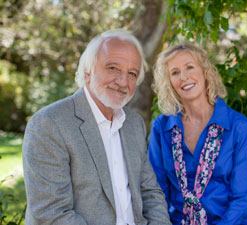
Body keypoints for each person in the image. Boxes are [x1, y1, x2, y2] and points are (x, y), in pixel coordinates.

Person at [22, 29, 171, 225]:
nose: (123, 81)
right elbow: (52, 214)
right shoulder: (49, 124)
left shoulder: (134, 124)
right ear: (88, 71)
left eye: (132, 74)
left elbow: (150, 192)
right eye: (113, 68)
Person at [149, 43, 247, 225]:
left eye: (189, 67)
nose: (183, 77)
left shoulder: (237, 126)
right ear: (169, 82)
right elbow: (156, 192)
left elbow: (242, 199)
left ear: (205, 71)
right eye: (175, 72)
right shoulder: (161, 127)